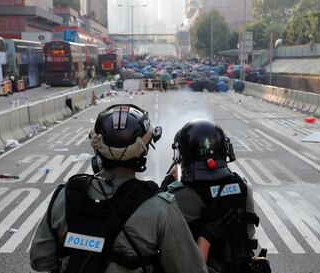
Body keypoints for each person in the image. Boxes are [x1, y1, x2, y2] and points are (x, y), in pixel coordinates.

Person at [30, 104, 208, 273]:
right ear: (143, 151)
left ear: (98, 149)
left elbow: (40, 259)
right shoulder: (162, 208)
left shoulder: (64, 196)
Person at [161, 119, 269, 273]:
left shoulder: (178, 195)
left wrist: (170, 180)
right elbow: (249, 232)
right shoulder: (243, 186)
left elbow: (158, 226)